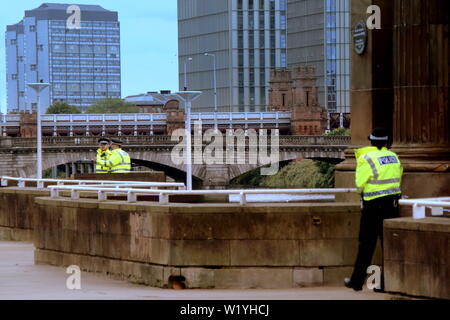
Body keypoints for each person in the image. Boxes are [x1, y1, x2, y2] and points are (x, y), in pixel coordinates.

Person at [344, 128, 403, 292]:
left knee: (366, 245)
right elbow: (399, 177)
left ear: (371, 141)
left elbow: (360, 182)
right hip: (392, 204)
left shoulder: (366, 157)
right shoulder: (394, 156)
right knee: (389, 245)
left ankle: (356, 282)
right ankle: (385, 283)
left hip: (372, 205)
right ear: (386, 142)